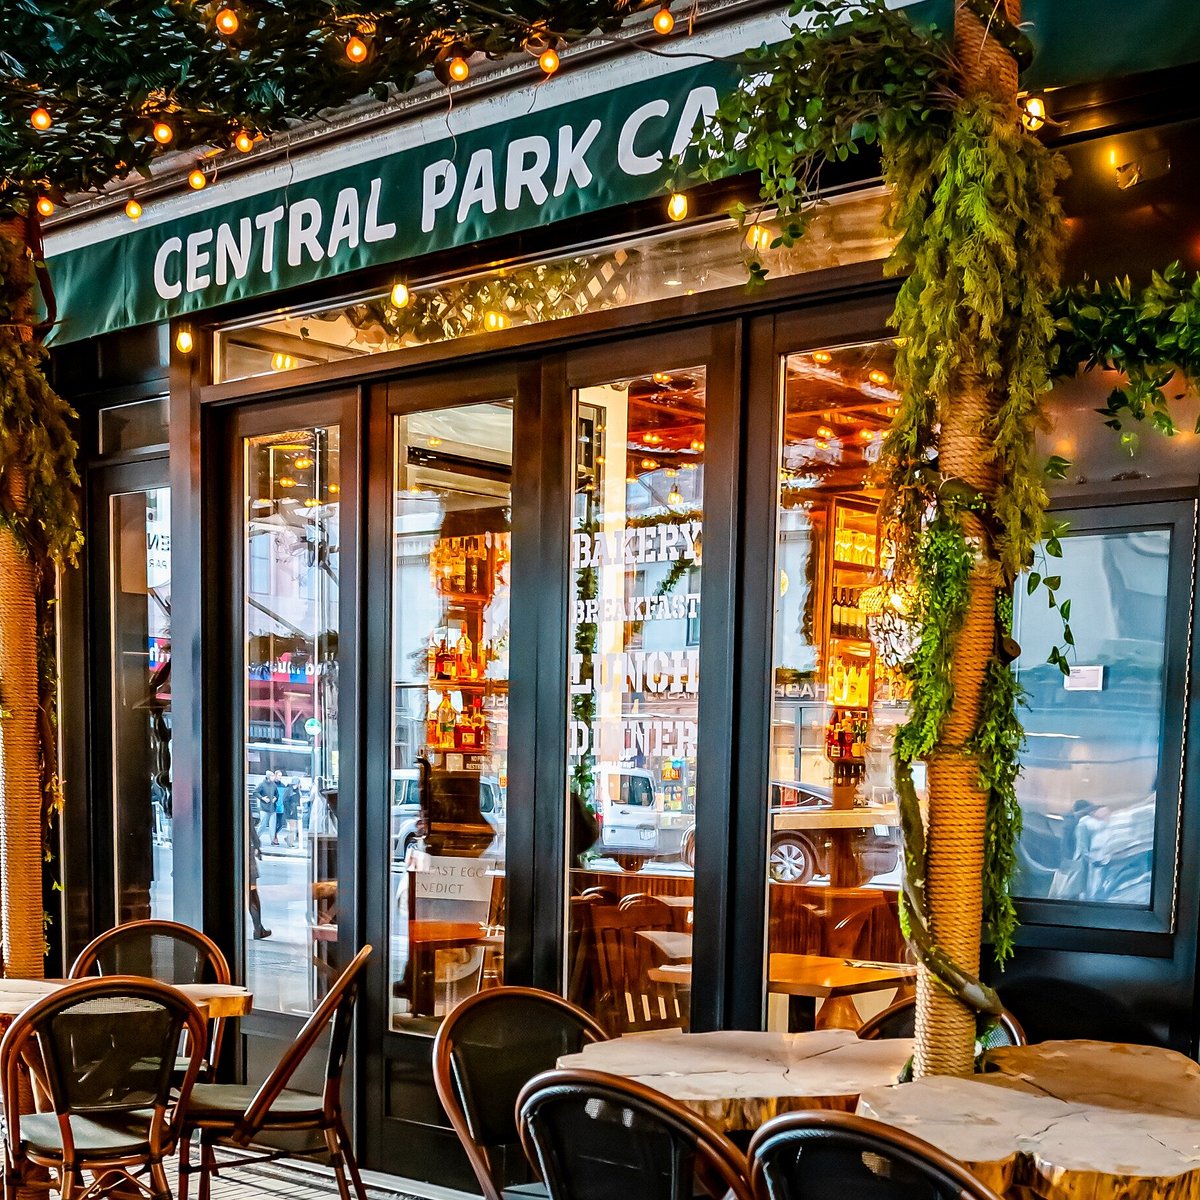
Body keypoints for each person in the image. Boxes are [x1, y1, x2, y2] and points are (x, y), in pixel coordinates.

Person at [248, 798, 271, 939]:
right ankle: (258, 928)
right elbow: (249, 825)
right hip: (244, 850)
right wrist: (257, 844)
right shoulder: (242, 798)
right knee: (251, 892)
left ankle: (258, 928)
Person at [253, 771, 279, 839]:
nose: (273, 777)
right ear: (268, 777)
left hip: (272, 808)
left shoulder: (274, 785)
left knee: (273, 826)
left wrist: (275, 798)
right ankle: (255, 838)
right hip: (264, 808)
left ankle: (272, 840)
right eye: (272, 776)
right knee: (263, 825)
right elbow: (255, 792)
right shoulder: (262, 784)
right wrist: (262, 798)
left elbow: (277, 794)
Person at [284, 777, 303, 847]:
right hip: (291, 812)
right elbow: (285, 801)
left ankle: (288, 839)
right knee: (292, 828)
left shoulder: (296, 791)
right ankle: (290, 843)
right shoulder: (289, 791)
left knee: (294, 827)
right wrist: (290, 810)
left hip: (295, 811)